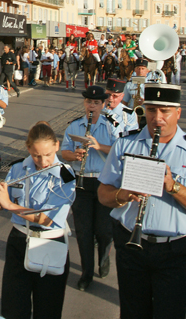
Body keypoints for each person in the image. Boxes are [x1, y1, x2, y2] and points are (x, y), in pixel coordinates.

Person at [98, 84, 186, 319]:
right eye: (151, 110)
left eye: (165, 111)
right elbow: (103, 194)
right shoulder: (125, 144)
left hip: (174, 250)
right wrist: (121, 195)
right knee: (132, 313)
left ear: (178, 113)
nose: (157, 118)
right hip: (131, 243)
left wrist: (173, 186)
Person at [0, 121, 76, 319]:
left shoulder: (65, 176)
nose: (43, 162)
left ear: (57, 146)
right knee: (13, 309)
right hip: (19, 240)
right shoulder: (18, 168)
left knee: (47, 311)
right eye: (36, 156)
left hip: (50, 243)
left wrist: (9, 205)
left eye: (48, 155)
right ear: (28, 149)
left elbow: (46, 219)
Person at [61, 85, 116, 291]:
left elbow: (120, 152)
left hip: (104, 182)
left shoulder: (110, 126)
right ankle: (86, 273)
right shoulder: (74, 126)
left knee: (103, 229)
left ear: (103, 105)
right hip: (81, 181)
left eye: (96, 103)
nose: (91, 106)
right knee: (84, 231)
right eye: (88, 102)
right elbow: (63, 152)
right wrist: (74, 155)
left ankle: (104, 257)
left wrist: (100, 146)